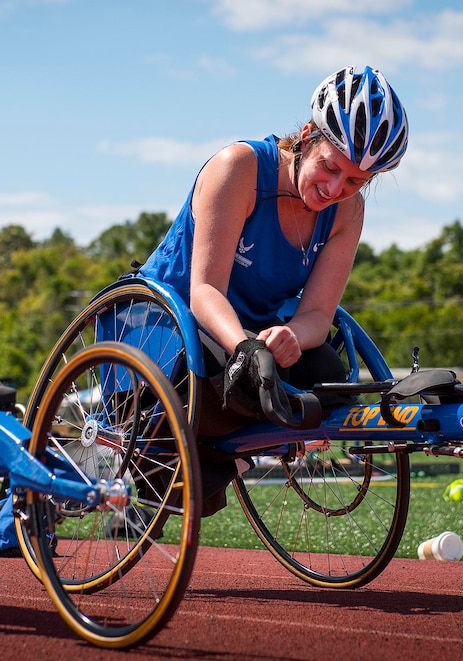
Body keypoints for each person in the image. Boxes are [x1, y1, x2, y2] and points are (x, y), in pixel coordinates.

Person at [138, 65, 409, 514]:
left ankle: (227, 459)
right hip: (172, 324)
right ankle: (181, 459)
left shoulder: (347, 212)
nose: (335, 189)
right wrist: (246, 347)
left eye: (355, 182)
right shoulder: (240, 168)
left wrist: (290, 337)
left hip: (253, 332)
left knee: (327, 373)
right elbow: (203, 290)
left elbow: (319, 316)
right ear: (306, 135)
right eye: (330, 166)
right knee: (244, 374)